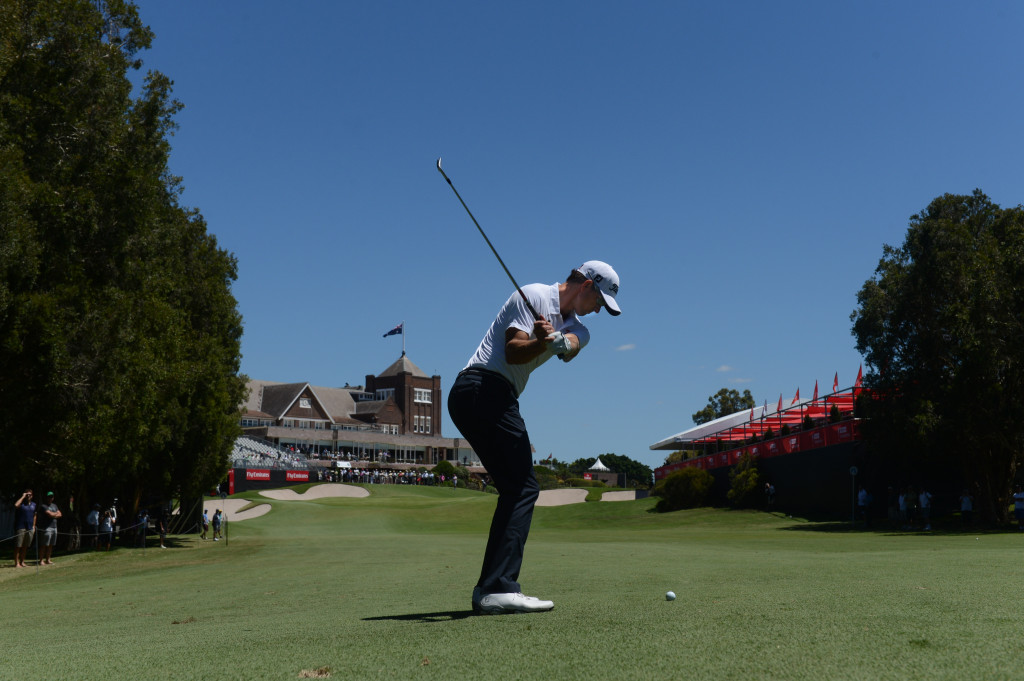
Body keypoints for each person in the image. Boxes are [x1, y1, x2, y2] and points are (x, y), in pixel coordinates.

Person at [448, 261, 620, 615]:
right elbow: (513, 351)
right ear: (586, 285)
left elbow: (571, 346)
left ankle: (490, 588)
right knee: (524, 487)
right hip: (481, 387)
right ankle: (497, 588)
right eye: (599, 300)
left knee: (517, 487)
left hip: (489, 396)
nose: (598, 310)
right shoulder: (532, 295)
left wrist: (554, 341)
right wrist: (541, 342)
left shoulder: (581, 328)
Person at [13, 489, 37, 568]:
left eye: (30, 495)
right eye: (27, 494)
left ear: (32, 496)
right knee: (18, 546)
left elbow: (34, 516)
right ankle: (17, 563)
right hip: (21, 527)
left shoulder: (34, 504)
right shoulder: (21, 504)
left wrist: (34, 526)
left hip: (29, 527)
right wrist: (23, 496)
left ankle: (22, 562)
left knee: (25, 546)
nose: (28, 496)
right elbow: (16, 505)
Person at [38, 492, 62, 565]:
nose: (50, 498)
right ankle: (41, 560)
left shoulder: (55, 505)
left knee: (51, 545)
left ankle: (48, 559)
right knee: (44, 545)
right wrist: (55, 514)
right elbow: (49, 514)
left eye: (51, 497)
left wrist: (53, 515)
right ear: (46, 497)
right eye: (49, 497)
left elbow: (60, 514)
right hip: (46, 528)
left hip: (54, 527)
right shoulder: (43, 506)